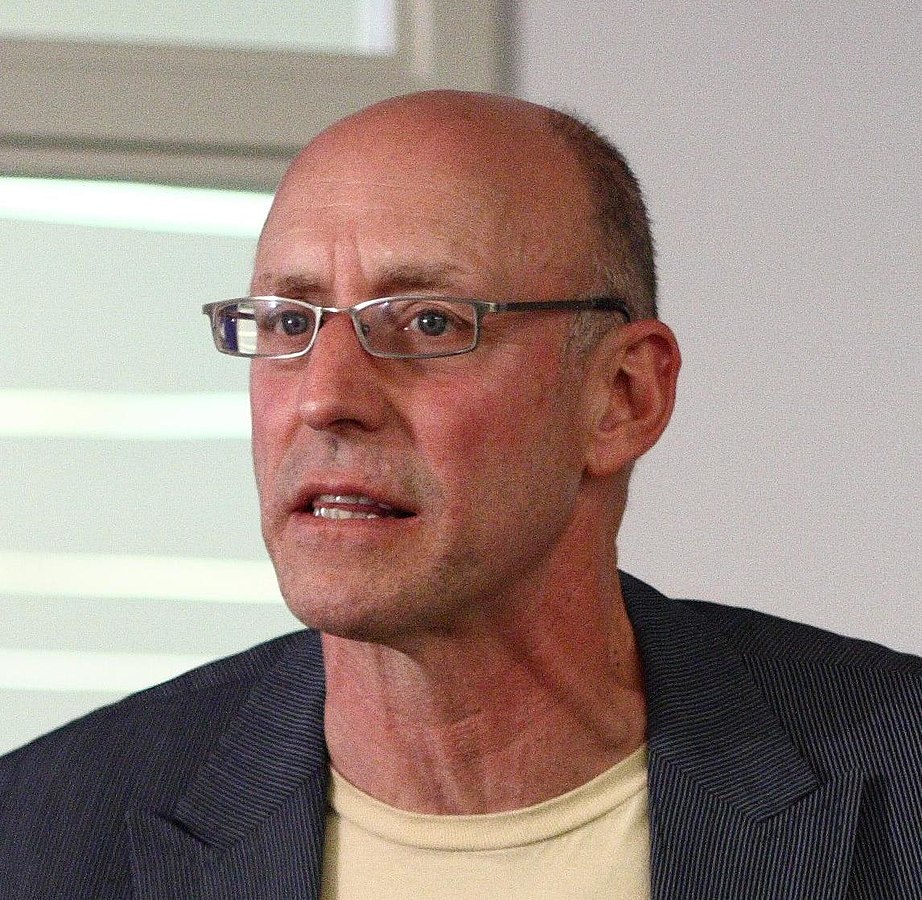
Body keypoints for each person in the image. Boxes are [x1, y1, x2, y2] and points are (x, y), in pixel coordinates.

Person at [1, 90, 919, 899]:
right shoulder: (39, 837)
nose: (324, 397)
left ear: (622, 397)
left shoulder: (899, 779)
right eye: (287, 322)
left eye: (429, 321)